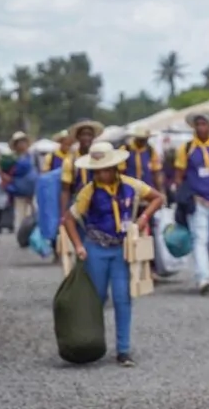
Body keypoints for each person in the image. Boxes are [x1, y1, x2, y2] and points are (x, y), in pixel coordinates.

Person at [63, 142, 164, 367]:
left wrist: (143, 217)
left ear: (116, 167)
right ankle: (91, 344)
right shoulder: (88, 191)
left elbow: (158, 197)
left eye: (106, 169)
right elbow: (68, 219)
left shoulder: (131, 185)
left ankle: (123, 350)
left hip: (121, 249)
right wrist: (79, 246)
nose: (101, 174)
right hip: (96, 249)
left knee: (122, 298)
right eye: (97, 170)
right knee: (95, 299)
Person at [173, 109, 209, 294]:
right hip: (196, 201)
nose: (201, 127)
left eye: (204, 124)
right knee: (199, 238)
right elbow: (179, 176)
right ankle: (203, 277)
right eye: (198, 124)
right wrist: (185, 197)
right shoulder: (187, 148)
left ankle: (201, 271)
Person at [59, 119, 105, 228]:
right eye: (83, 134)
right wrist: (63, 215)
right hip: (78, 205)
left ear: (93, 137)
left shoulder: (101, 158)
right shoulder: (70, 160)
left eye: (89, 135)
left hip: (100, 204)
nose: (86, 138)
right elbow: (65, 190)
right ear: (78, 137)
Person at [119, 125, 163, 200]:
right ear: (136, 138)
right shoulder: (125, 150)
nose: (143, 142)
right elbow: (120, 172)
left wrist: (160, 191)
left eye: (145, 140)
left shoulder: (151, 151)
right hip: (129, 191)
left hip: (147, 190)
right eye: (141, 140)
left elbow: (156, 172)